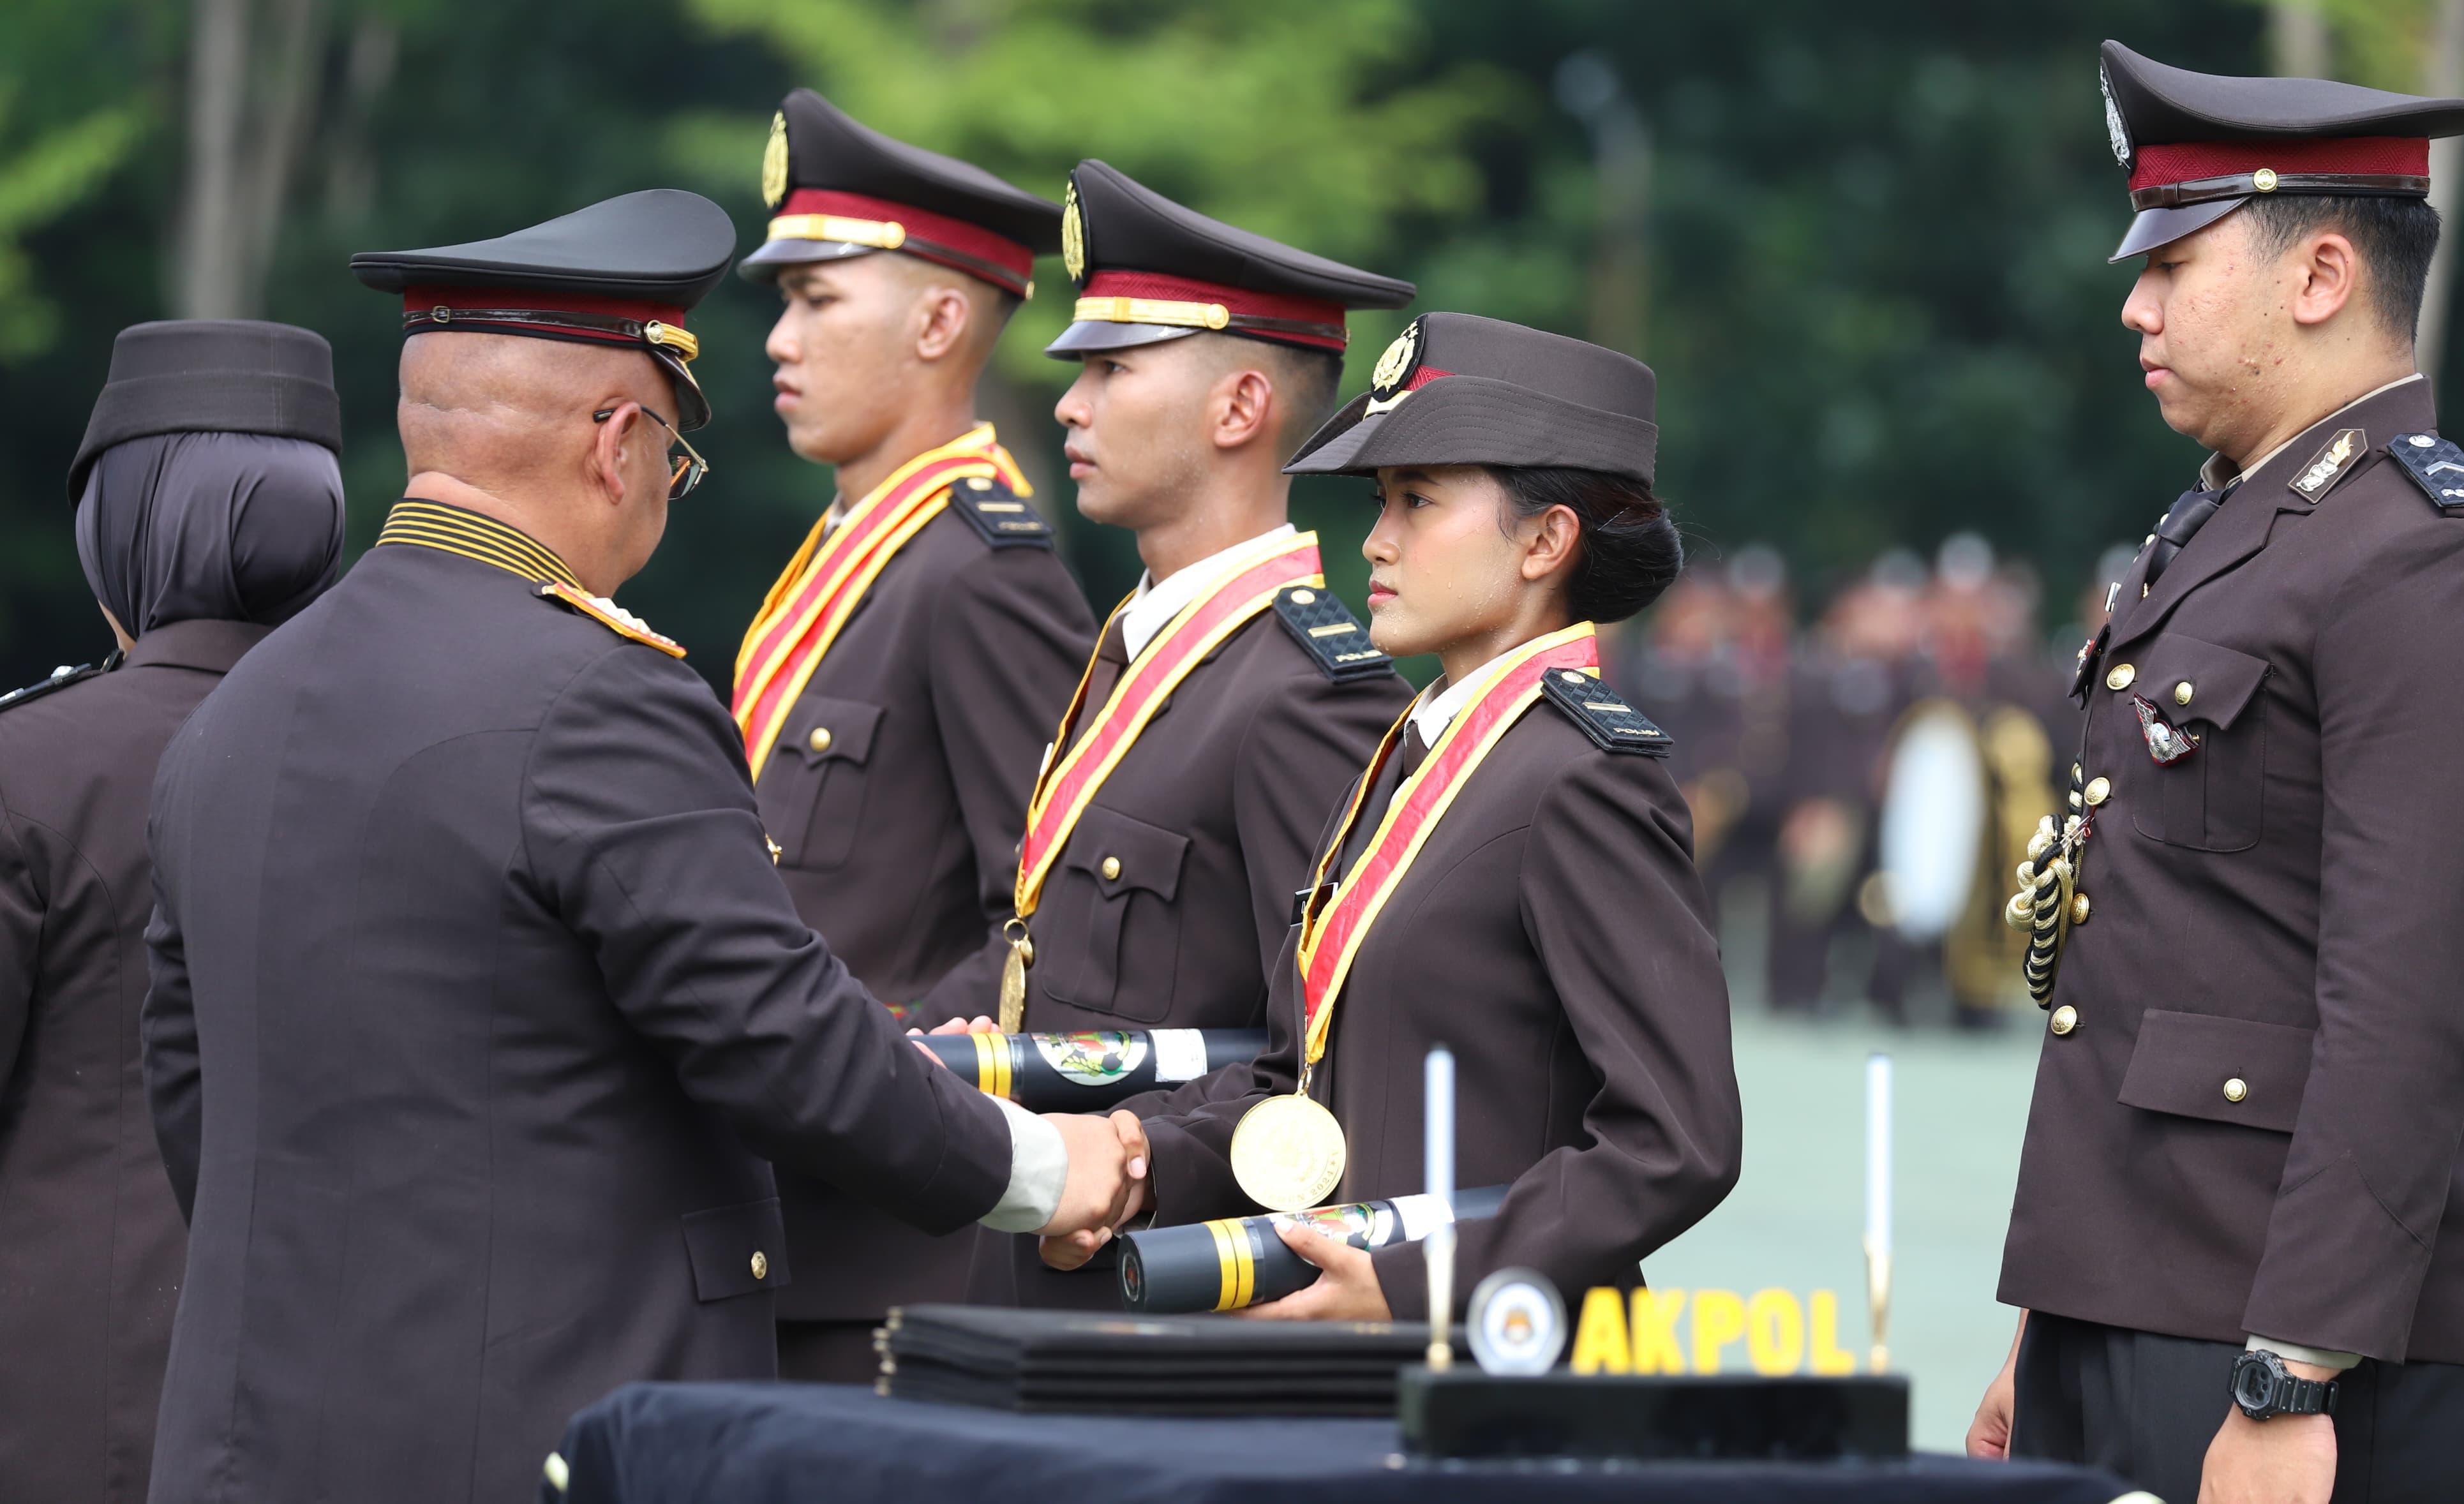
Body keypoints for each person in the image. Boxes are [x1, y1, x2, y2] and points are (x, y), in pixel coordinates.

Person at [139, 191, 1144, 1504]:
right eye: (673, 463)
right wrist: (1032, 1165)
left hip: (247, 1444)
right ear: (620, 443)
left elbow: (187, 1080)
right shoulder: (594, 694)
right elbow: (772, 1028)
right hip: (536, 1443)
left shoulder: (237, 712)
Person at [1967, 42, 2464, 1504]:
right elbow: (2142, 977)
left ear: (2317, 276)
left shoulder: (2430, 562)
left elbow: (2402, 1009)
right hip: (2152, 1295)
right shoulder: (2226, 532)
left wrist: (2288, 1372)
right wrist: (2055, 1322)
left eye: (2174, 262)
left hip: (2332, 1354)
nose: (2134, 303)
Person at [1066, 311, 1743, 1319]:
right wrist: (1140, 1156)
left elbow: (1674, 1140)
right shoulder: (1414, 757)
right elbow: (1299, 1087)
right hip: (1357, 1365)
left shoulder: (1582, 777)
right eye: (1383, 500)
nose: (1377, 540)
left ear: (1546, 540)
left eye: (1418, 500)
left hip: (1502, 1376)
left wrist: (1423, 1284)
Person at [918, 158, 1415, 1306]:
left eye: (1109, 369)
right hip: (1025, 1255)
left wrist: (1142, 1157)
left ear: (1240, 407)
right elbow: (1042, 936)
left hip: (1152, 1287)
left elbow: (1327, 1059)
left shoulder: (1308, 692)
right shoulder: (1136, 648)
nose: (1066, 404)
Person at [735, 92, 1098, 1371]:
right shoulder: (860, 558)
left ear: (941, 321)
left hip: (895, 1252)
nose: (778, 339)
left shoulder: (978, 574)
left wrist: (870, 1058)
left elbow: (1049, 920)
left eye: (818, 300)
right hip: (794, 1221)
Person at [0, 319, 345, 1504]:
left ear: (119, 532)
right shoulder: (407, 753)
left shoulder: (30, 768)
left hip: (65, 1406)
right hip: (365, 1397)